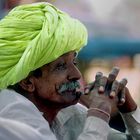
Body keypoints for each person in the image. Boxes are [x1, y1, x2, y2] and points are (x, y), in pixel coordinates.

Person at [0, 2, 139, 140]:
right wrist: (100, 111)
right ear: (27, 82)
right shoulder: (9, 122)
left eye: (74, 62)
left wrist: (129, 109)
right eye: (61, 66)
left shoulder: (70, 115)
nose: (76, 75)